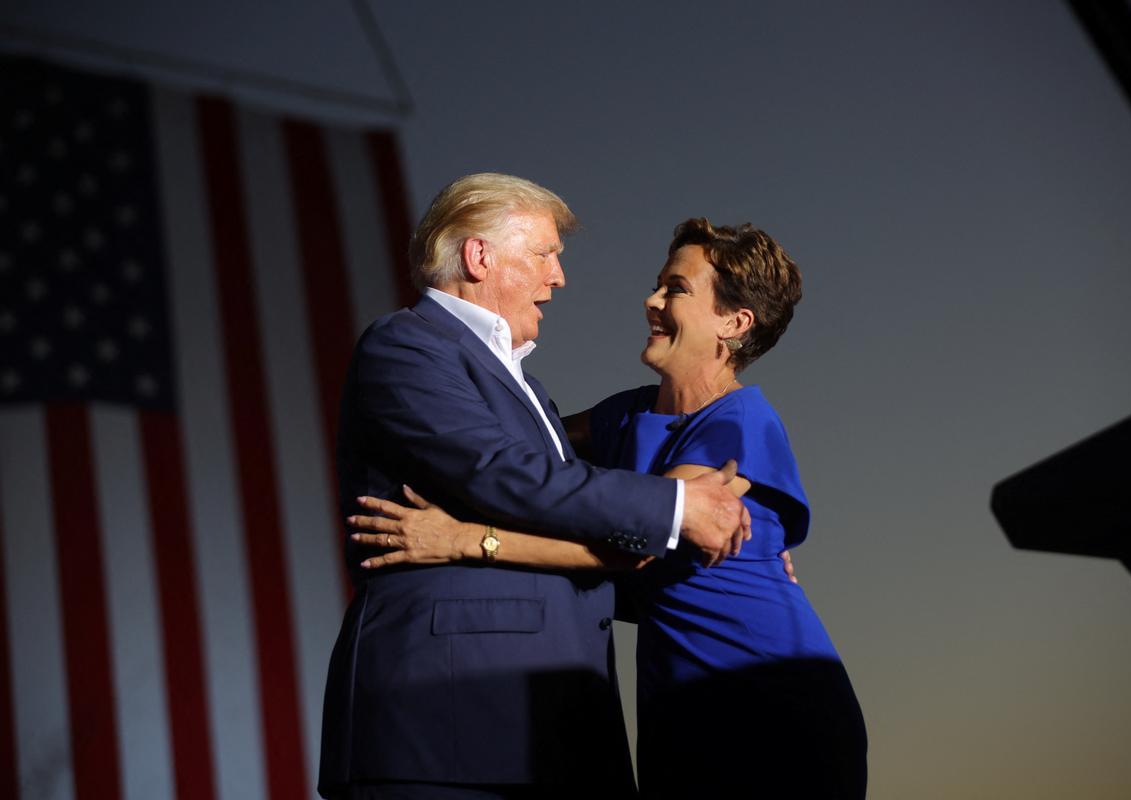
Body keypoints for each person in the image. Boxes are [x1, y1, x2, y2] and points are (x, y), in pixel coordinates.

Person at [350, 218, 868, 798]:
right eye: (658, 283)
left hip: (765, 697)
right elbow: (515, 453)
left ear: (734, 322)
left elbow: (631, 550)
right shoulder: (624, 415)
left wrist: (465, 539)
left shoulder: (739, 423)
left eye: (677, 288)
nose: (652, 300)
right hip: (675, 706)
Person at [318, 175, 749, 800]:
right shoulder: (406, 346)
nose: (559, 277)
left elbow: (578, 520)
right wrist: (680, 507)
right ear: (479, 256)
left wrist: (740, 553)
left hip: (554, 731)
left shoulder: (527, 388)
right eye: (545, 254)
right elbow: (505, 475)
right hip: (450, 727)